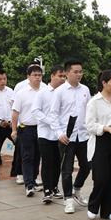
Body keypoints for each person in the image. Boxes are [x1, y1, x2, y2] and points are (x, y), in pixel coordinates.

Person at [48, 60, 92, 214]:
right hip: (67, 137)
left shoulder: (85, 90)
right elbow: (53, 114)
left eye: (81, 71)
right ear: (67, 73)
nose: (79, 74)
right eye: (76, 72)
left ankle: (76, 189)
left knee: (87, 166)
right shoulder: (59, 91)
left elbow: (90, 111)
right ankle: (68, 199)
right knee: (66, 170)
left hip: (83, 135)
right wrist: (59, 133)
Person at [85, 70, 111, 220]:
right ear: (104, 83)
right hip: (100, 140)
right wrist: (107, 128)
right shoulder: (94, 102)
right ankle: (93, 205)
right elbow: (89, 125)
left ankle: (107, 210)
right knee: (101, 177)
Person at [11, 64, 49, 197]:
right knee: (27, 156)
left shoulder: (46, 90)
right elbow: (15, 113)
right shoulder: (21, 93)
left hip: (42, 128)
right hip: (26, 128)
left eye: (40, 75)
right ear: (28, 77)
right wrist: (14, 130)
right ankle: (29, 184)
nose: (38, 78)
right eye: (35, 75)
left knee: (37, 156)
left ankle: (33, 179)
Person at [38, 66, 67, 203]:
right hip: (45, 133)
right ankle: (47, 190)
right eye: (60, 76)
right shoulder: (43, 92)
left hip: (60, 134)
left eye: (64, 76)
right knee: (47, 161)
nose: (62, 79)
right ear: (52, 76)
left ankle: (55, 187)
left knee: (57, 162)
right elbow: (35, 111)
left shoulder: (64, 92)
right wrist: (49, 121)